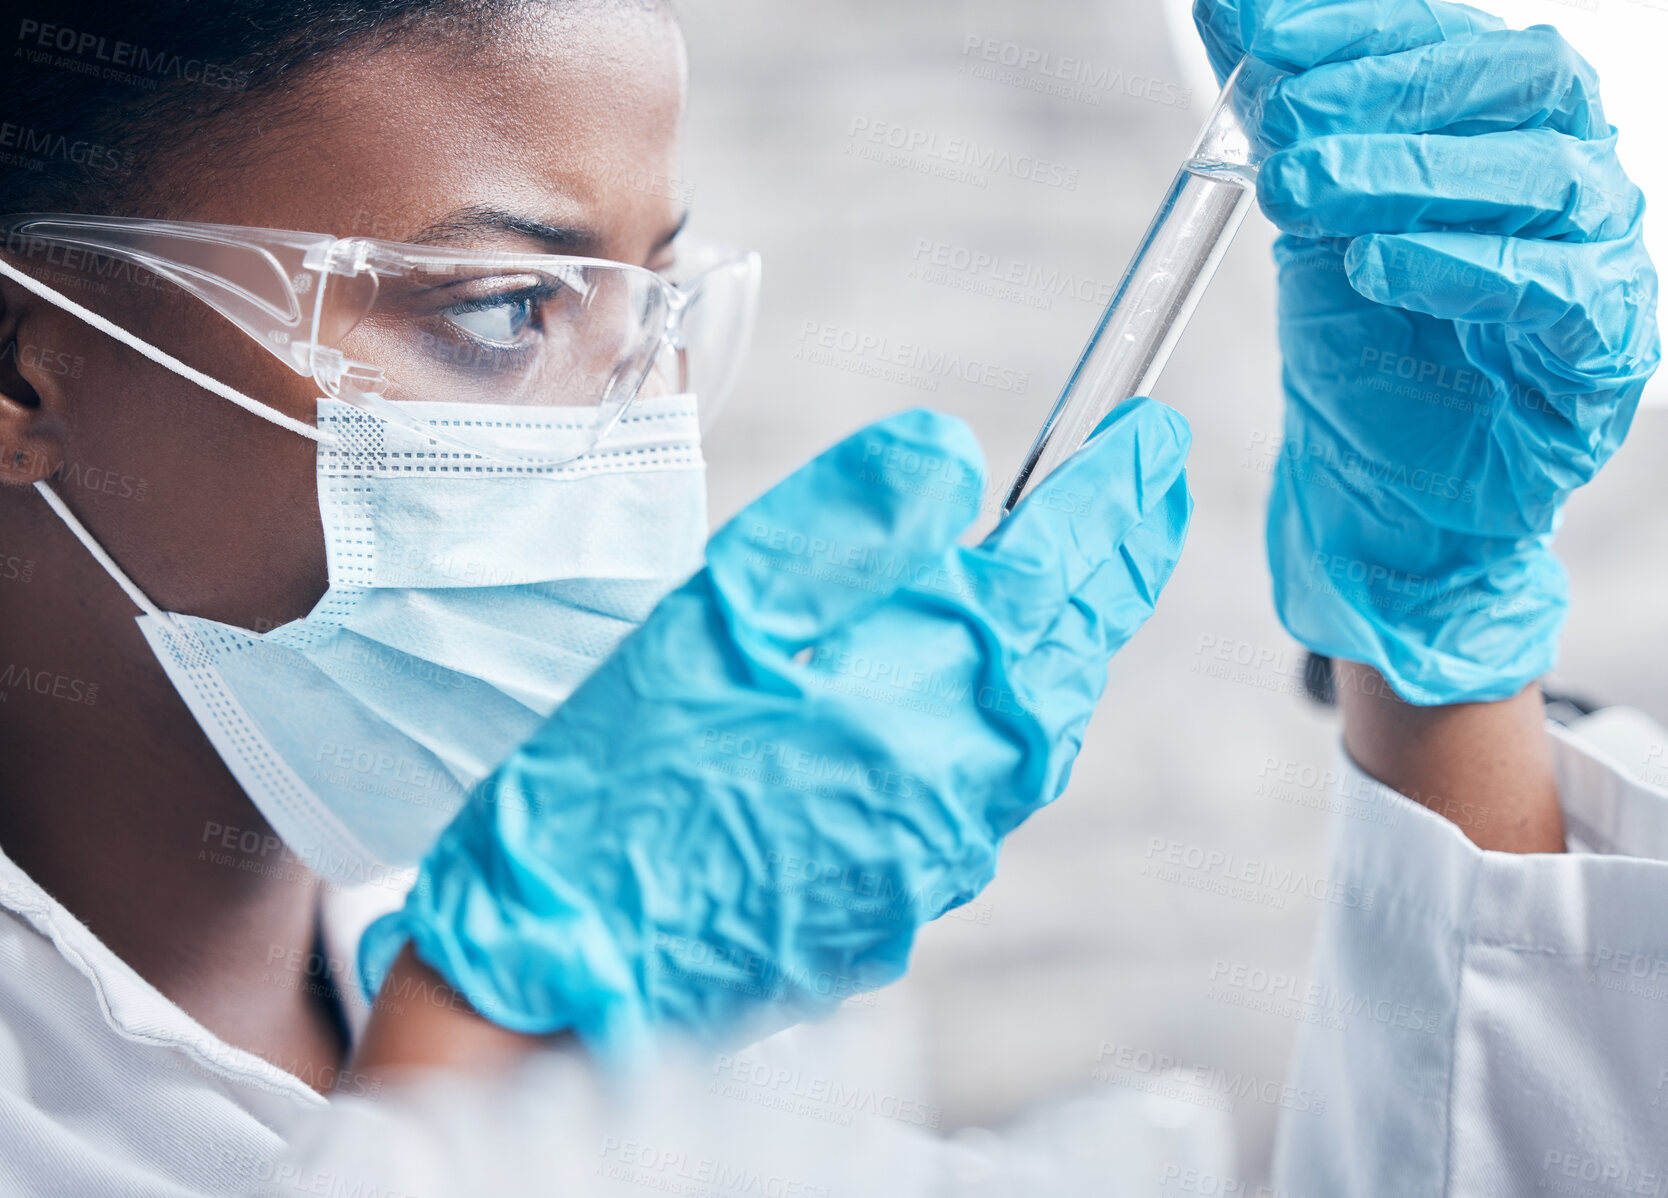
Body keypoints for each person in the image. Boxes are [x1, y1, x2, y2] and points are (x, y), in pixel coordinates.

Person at [0, 0, 1657, 1194]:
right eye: (505, 310)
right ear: (26, 363)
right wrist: (501, 1054)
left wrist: (1441, 654)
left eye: (650, 313)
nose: (626, 442)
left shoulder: (709, 1015)